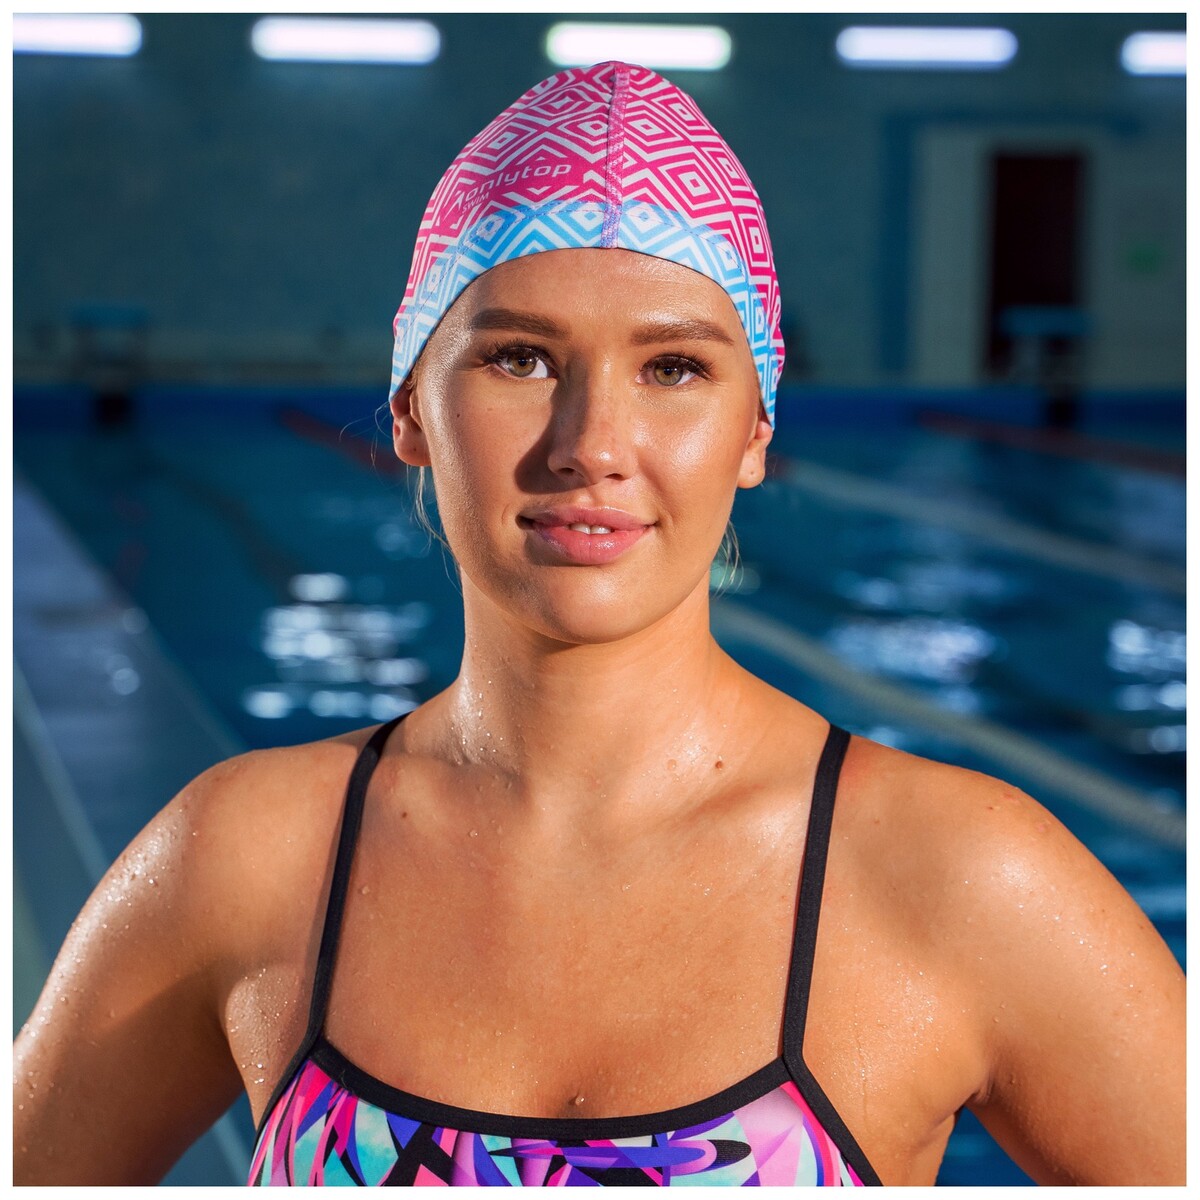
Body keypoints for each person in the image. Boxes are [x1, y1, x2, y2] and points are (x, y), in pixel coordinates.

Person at [13, 61, 1184, 1188]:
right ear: (410, 407)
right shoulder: (243, 857)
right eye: (520, 358)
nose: (591, 446)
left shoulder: (961, 879)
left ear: (756, 430)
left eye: (673, 369)